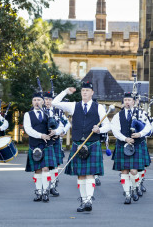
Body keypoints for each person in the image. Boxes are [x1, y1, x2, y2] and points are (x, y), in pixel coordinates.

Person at [52, 82, 111, 212]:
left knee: (89, 174)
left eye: (87, 90)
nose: (84, 92)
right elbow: (54, 103)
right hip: (78, 143)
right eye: (83, 90)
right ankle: (84, 201)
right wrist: (65, 91)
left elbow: (108, 125)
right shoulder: (74, 106)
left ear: (92, 93)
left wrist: (99, 129)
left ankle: (89, 200)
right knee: (80, 175)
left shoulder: (99, 107)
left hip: (93, 143)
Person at [111, 92, 153, 204]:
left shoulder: (141, 113)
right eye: (125, 100)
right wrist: (125, 139)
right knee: (124, 171)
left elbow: (148, 126)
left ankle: (134, 188)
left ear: (133, 102)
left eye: (129, 100)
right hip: (123, 144)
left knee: (134, 171)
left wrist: (140, 134)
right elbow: (115, 130)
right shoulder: (118, 115)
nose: (127, 102)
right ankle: (128, 195)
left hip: (137, 144)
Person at [24, 92, 64, 202]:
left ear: (43, 101)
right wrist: (41, 135)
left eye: (38, 100)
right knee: (37, 170)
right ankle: (39, 192)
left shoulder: (49, 114)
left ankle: (45, 191)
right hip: (35, 144)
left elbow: (60, 125)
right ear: (32, 102)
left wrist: (55, 131)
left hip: (47, 144)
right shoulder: (28, 114)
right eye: (34, 100)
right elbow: (28, 129)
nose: (36, 102)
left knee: (46, 168)